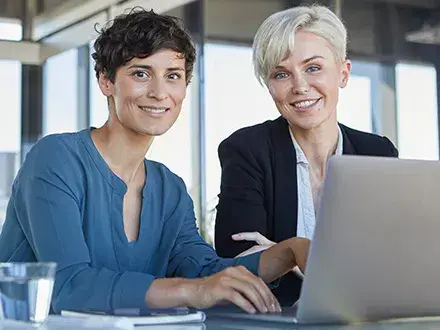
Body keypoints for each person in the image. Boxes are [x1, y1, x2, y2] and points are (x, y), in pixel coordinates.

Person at [0, 8, 310, 315]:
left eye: (172, 76)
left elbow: (207, 272)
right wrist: (194, 290)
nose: (159, 92)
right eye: (140, 74)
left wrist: (290, 252)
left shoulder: (170, 189)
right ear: (106, 81)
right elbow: (71, 287)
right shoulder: (56, 159)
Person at [214, 4, 399, 306]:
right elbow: (237, 263)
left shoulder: (377, 153)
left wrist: (283, 255)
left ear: (343, 73)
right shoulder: (247, 150)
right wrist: (327, 262)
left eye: (313, 68)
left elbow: (391, 259)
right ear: (269, 85)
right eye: (281, 73)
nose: (300, 86)